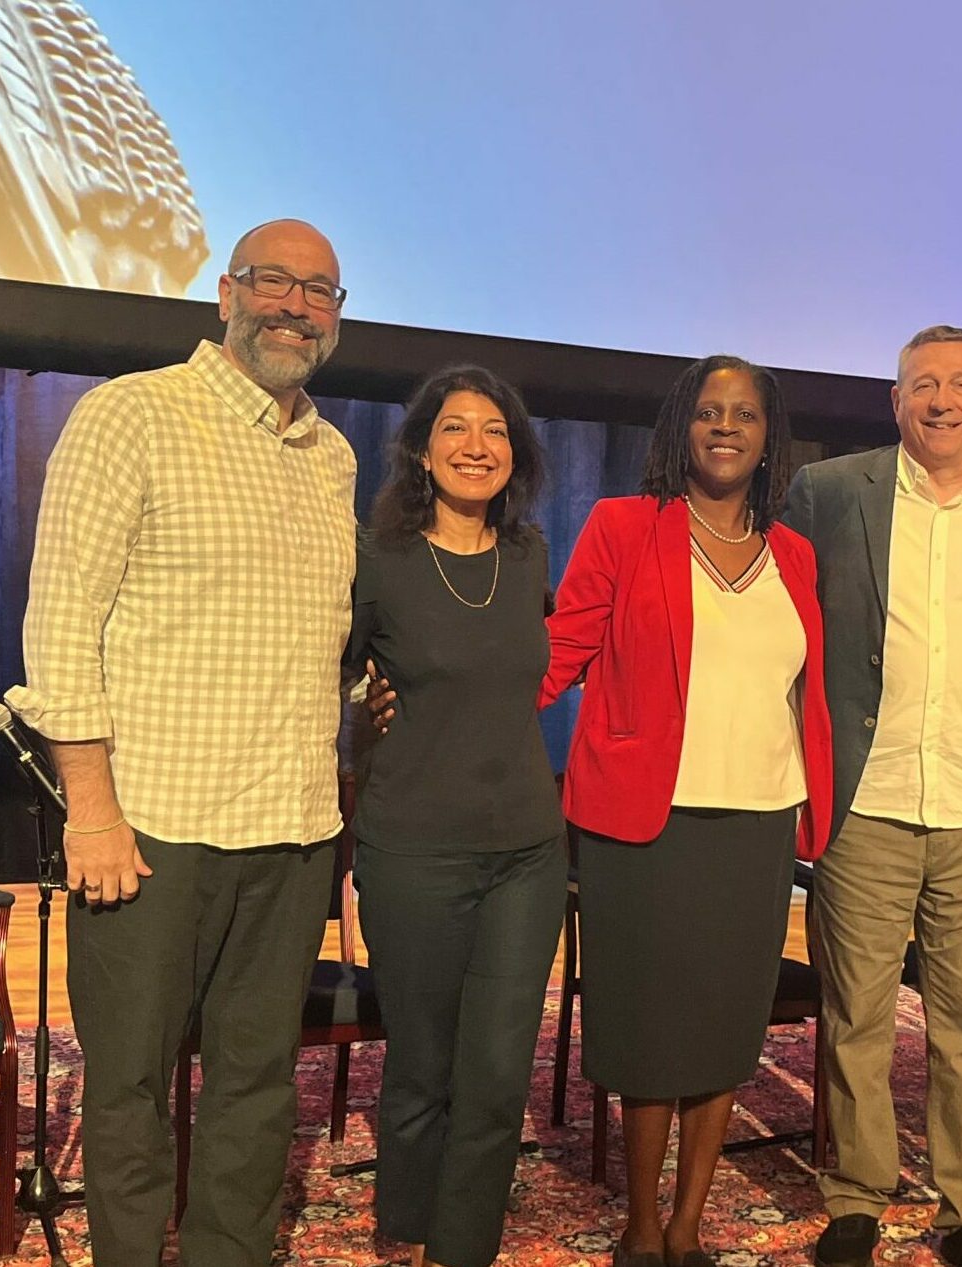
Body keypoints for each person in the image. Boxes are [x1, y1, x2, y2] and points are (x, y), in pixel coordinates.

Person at [4, 218, 354, 1265]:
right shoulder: (131, 415)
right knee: (128, 1083)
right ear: (225, 292)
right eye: (274, 282)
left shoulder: (330, 454)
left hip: (291, 831)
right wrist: (93, 811)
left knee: (255, 1082)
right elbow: (60, 622)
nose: (294, 306)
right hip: (153, 830)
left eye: (320, 291)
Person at [783, 325, 962, 1267]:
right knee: (855, 1011)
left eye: (960, 384)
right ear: (894, 401)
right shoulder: (829, 494)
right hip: (865, 800)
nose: (941, 400)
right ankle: (858, 1195)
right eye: (922, 385)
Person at [543, 354, 836, 1267]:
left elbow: (803, 689)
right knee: (647, 1031)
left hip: (755, 824)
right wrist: (456, 706)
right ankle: (638, 1226)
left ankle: (687, 1226)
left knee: (722, 1029)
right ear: (682, 427)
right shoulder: (624, 526)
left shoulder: (794, 554)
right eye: (708, 411)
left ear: (767, 436)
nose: (724, 426)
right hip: (646, 823)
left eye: (744, 413)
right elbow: (563, 645)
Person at [346, 366, 565, 1267]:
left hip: (527, 849)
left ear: (515, 454)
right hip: (414, 850)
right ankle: (406, 1225)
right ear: (422, 450)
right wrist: (364, 703)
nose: (477, 446)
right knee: (423, 1065)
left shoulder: (530, 555)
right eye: (455, 430)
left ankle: (461, 1247)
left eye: (495, 431)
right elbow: (327, 671)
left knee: (499, 1070)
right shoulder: (380, 559)